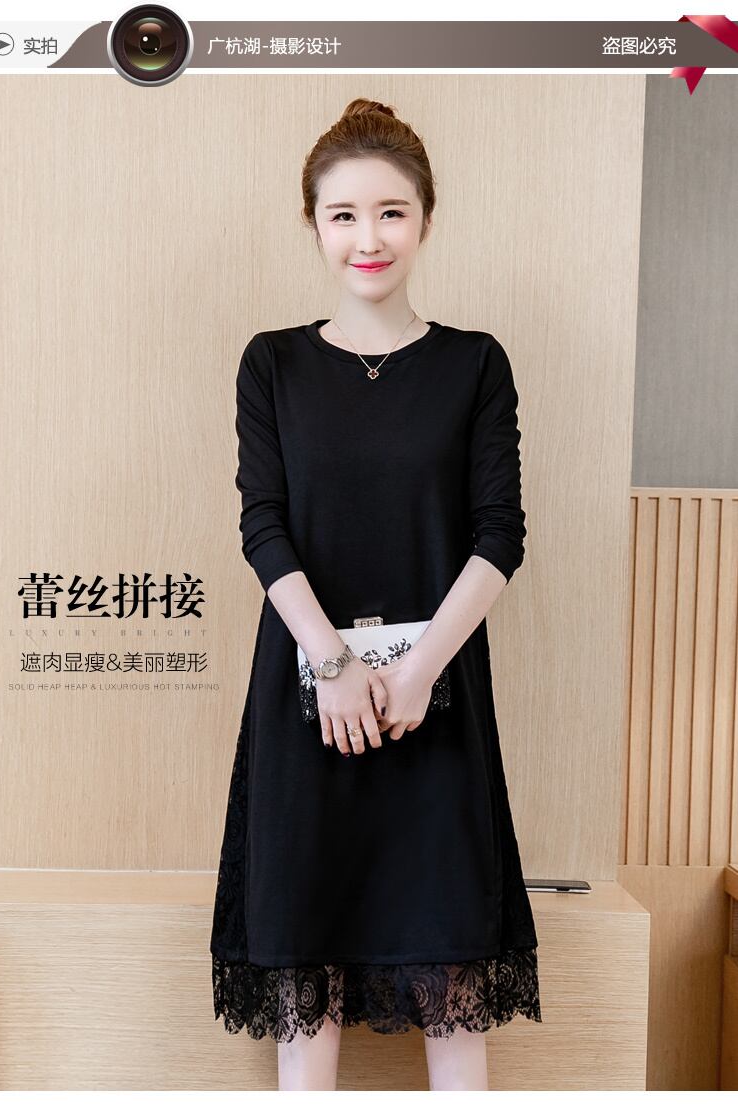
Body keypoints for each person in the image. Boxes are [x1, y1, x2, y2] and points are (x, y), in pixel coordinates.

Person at [210, 97, 542, 1091]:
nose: (369, 236)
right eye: (344, 213)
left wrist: (417, 670)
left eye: (391, 211)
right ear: (313, 224)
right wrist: (334, 664)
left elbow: (499, 533)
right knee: (305, 985)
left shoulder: (474, 363)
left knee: (450, 978)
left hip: (434, 710)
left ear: (426, 219)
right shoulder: (273, 362)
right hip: (306, 703)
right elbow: (263, 524)